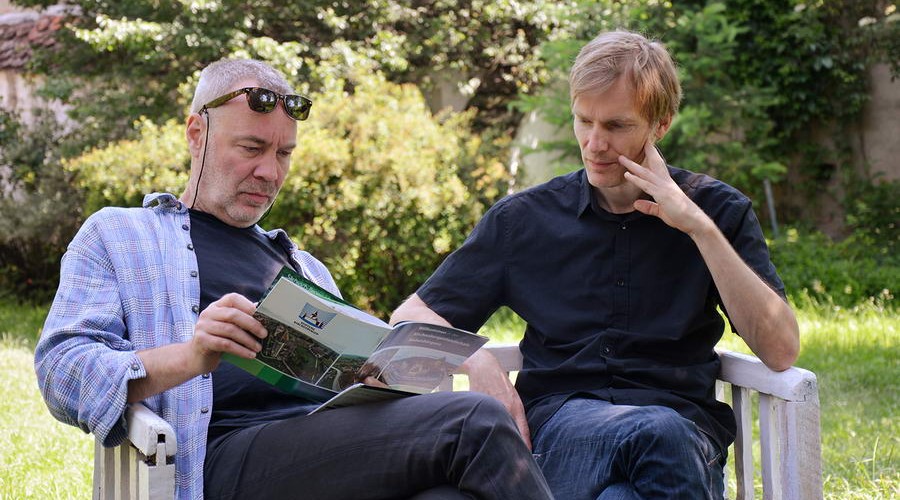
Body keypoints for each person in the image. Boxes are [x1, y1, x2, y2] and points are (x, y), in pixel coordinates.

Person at [35, 58, 553, 500]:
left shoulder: (305, 268)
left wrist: (380, 378)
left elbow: (352, 384)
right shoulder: (121, 236)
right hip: (223, 458)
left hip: (326, 451)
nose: (270, 172)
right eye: (251, 148)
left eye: (283, 154)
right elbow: (62, 373)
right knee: (474, 420)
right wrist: (192, 356)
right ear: (197, 134)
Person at [390, 29, 800, 499]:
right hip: (563, 438)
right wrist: (477, 358)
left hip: (682, 441)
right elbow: (410, 315)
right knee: (657, 432)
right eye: (584, 121)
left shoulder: (717, 211)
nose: (594, 143)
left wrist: (699, 229)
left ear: (660, 124)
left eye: (616, 126)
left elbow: (780, 350)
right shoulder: (523, 220)